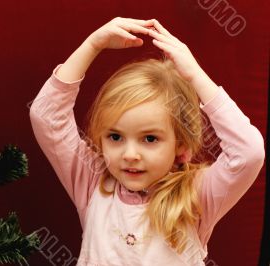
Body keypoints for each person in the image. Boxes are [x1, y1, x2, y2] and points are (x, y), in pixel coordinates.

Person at [29, 17, 265, 265]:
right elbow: (46, 117)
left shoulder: (197, 197)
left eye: (150, 138)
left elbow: (248, 153)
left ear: (182, 145)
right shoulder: (93, 181)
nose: (130, 154)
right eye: (115, 137)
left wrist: (196, 75)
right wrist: (92, 45)